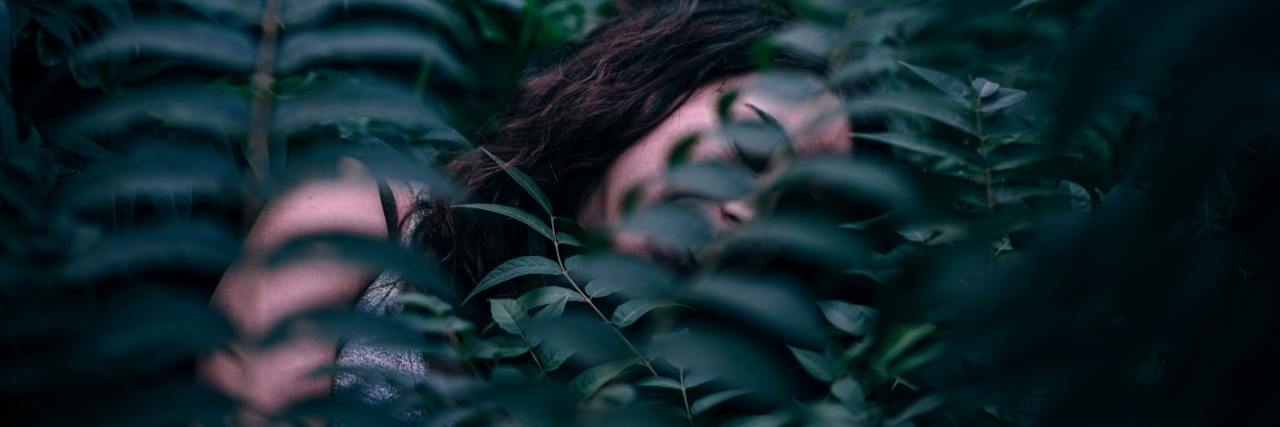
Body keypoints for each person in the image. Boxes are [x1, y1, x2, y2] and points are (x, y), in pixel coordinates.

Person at [199, 0, 853, 421]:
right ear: (657, 92)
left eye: (792, 209)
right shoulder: (362, 220)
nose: (750, 217)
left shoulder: (684, 396)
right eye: (751, 151)